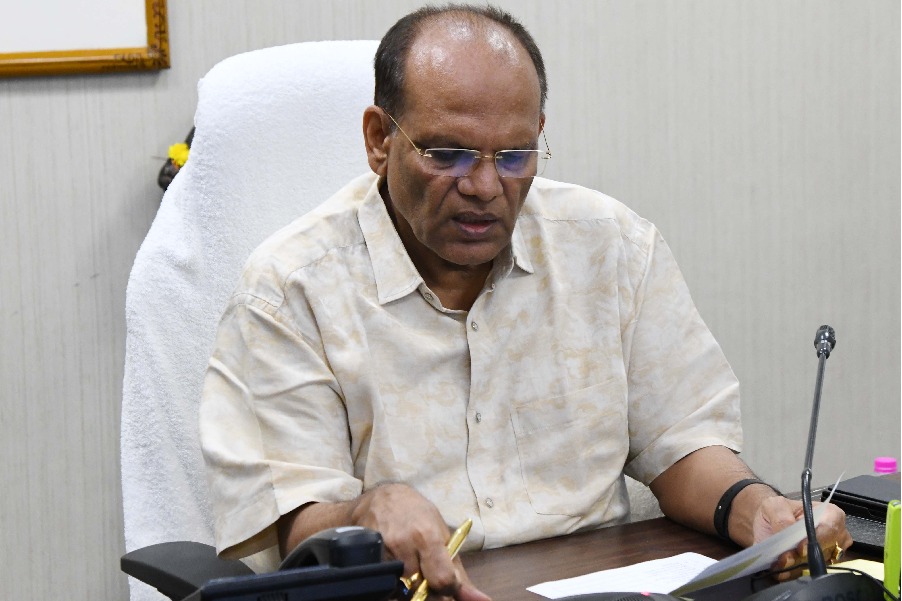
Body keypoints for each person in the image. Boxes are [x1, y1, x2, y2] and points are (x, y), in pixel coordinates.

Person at [199, 4, 850, 600]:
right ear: (379, 139)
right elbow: (297, 524)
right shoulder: (289, 291)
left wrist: (758, 511)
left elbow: (682, 441)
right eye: (449, 154)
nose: (485, 186)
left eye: (513, 156)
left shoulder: (610, 247)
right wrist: (365, 513)